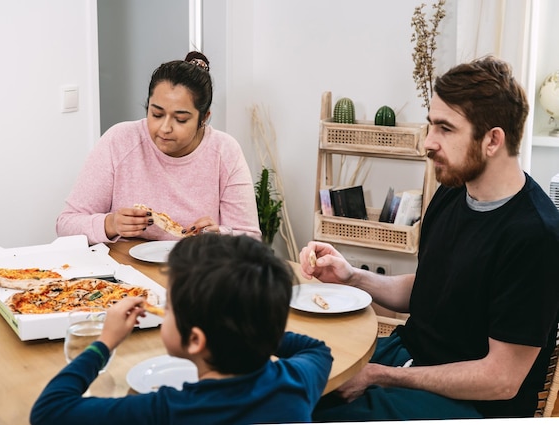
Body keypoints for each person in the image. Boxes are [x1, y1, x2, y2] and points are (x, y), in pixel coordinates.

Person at [300, 56, 559, 421]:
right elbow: (433, 288)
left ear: (492, 140)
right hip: (405, 359)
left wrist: (382, 377)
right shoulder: (454, 191)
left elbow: (501, 379)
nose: (428, 142)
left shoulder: (535, 235)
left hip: (469, 405)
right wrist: (352, 276)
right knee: (289, 384)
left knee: (314, 415)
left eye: (445, 128)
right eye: (430, 125)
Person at [30, 234, 333, 425]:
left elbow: (49, 411)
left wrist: (104, 343)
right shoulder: (298, 383)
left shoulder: (167, 411)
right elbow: (317, 350)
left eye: (170, 306)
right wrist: (250, 325)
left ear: (195, 340)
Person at [56, 51, 261, 245]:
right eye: (156, 114)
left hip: (195, 273)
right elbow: (66, 224)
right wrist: (110, 224)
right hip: (122, 273)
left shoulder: (225, 152)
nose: (165, 128)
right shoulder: (119, 140)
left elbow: (250, 240)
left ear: (204, 118)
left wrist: (221, 237)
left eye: (180, 119)